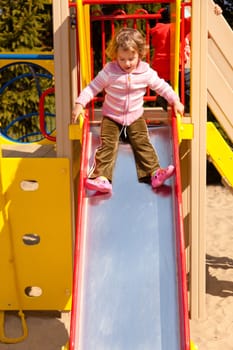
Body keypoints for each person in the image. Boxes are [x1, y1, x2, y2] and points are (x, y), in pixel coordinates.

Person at [72, 27, 184, 194]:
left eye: (131, 58)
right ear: (115, 56)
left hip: (134, 117)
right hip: (111, 117)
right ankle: (101, 178)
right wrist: (80, 103)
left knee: (142, 142)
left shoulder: (145, 72)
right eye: (122, 59)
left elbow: (162, 87)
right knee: (107, 144)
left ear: (139, 53)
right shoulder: (109, 71)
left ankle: (154, 173)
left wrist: (175, 101)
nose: (127, 63)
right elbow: (92, 88)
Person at [150, 3, 223, 112]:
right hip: (176, 67)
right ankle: (187, 107)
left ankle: (162, 98)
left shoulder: (157, 30)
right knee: (192, 82)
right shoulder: (179, 27)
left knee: (165, 87)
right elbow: (195, 22)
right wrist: (212, 12)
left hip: (159, 68)